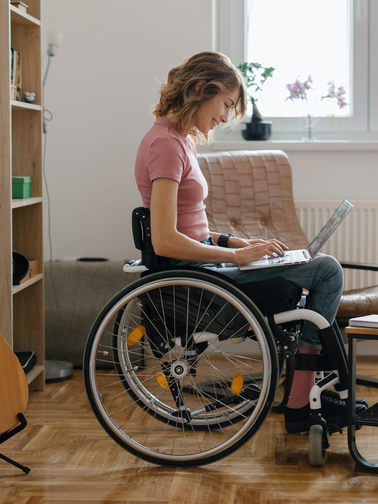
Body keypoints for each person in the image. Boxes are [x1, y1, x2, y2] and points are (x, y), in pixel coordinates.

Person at [134, 51, 355, 434]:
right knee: (327, 271)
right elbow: (167, 240)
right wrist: (237, 256)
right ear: (201, 89)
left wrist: (239, 242)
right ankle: (301, 401)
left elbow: (192, 227)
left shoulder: (179, 141)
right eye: (226, 104)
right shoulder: (166, 146)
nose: (225, 116)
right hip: (202, 280)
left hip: (209, 267)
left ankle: (304, 396)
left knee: (315, 270)